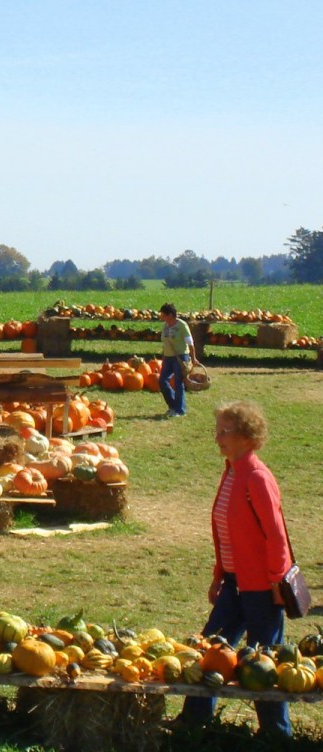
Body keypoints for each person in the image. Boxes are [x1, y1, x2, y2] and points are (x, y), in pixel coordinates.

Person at [176, 401, 292, 737]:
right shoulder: (231, 472)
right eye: (218, 430)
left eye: (225, 432)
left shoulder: (256, 477)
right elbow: (227, 535)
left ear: (247, 436)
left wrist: (274, 582)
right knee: (210, 652)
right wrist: (219, 577)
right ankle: (194, 724)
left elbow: (275, 534)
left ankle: (276, 734)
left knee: (263, 663)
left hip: (261, 587)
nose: (217, 438)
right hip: (234, 583)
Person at [158, 303, 199, 419]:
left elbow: (190, 343)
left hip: (180, 357)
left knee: (178, 383)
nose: (161, 316)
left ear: (170, 315)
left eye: (163, 314)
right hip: (168, 357)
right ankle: (173, 406)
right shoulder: (165, 325)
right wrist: (163, 356)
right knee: (162, 381)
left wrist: (193, 357)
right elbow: (165, 342)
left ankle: (180, 410)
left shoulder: (182, 325)